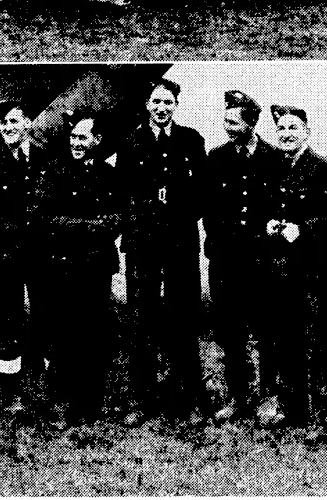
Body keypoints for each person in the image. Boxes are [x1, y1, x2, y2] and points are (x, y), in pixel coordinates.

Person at [117, 79, 208, 427]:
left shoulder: (190, 140)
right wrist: (145, 216)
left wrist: (179, 213)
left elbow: (201, 190)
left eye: (168, 102)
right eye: (156, 102)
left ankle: (184, 395)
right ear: (146, 105)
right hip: (142, 244)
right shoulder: (131, 142)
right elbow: (123, 194)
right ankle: (141, 398)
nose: (161, 108)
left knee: (182, 316)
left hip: (180, 242)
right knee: (142, 319)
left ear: (176, 105)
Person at [256, 105, 327, 437]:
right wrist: (269, 224)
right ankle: (293, 408)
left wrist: (302, 229)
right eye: (281, 128)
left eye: (293, 128)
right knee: (286, 338)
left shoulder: (322, 167)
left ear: (306, 132)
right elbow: (264, 206)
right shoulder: (273, 166)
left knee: (319, 342)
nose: (287, 134)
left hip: (312, 269)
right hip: (278, 269)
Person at [203, 90, 279, 422]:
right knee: (230, 332)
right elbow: (209, 207)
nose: (228, 127)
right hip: (226, 261)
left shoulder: (274, 158)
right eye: (225, 121)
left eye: (234, 122)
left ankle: (269, 397)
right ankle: (237, 396)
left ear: (251, 123)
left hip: (263, 261)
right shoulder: (217, 158)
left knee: (267, 330)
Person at [43, 110, 120, 429]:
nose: (76, 142)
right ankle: (61, 403)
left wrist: (76, 227)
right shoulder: (55, 172)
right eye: (73, 136)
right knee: (63, 333)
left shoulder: (108, 175)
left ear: (97, 141)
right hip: (62, 268)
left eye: (82, 137)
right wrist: (90, 227)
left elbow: (116, 219)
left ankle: (90, 401)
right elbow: (46, 219)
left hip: (97, 268)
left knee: (94, 333)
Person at [0, 98, 49, 418]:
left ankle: (42, 383)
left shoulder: (46, 158)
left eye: (15, 122)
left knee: (45, 315)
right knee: (6, 321)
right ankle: (10, 391)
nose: (9, 129)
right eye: (4, 124)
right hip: (4, 258)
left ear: (29, 124)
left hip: (41, 256)